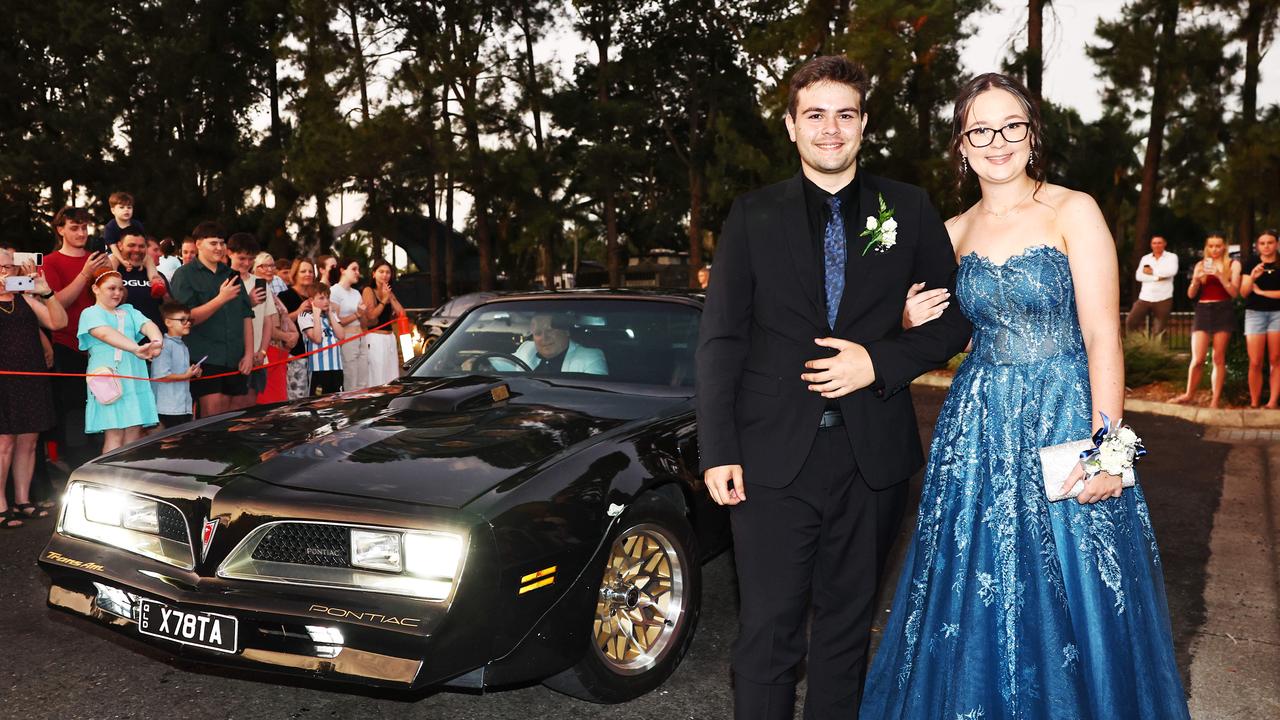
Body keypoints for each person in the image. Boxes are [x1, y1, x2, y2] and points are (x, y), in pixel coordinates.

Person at [861, 73, 1190, 720]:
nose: (997, 141)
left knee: (1077, 588)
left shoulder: (1073, 209)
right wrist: (901, 319)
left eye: (1011, 125)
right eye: (980, 129)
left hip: (1066, 410)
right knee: (975, 589)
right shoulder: (948, 232)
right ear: (961, 144)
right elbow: (929, 331)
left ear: (1032, 134)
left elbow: (1103, 336)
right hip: (978, 427)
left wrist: (1108, 451)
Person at [695, 56, 971, 720]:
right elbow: (722, 339)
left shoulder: (906, 208)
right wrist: (717, 450)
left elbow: (955, 317)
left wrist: (878, 362)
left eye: (845, 114)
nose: (831, 129)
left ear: (864, 123)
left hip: (871, 459)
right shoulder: (752, 215)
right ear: (792, 126)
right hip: (768, 462)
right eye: (815, 115)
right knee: (768, 636)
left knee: (847, 635)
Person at [0, 248, 67, 528]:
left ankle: (23, 500)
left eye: (8, 267)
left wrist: (46, 292)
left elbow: (59, 322)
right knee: (4, 442)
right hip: (3, 379)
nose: (5, 273)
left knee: (29, 441)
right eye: (0, 268)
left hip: (31, 377)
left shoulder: (26, 298)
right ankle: (1, 505)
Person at [43, 207, 113, 460]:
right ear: (60, 229)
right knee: (73, 410)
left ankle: (102, 459)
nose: (81, 233)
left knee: (106, 404)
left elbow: (116, 297)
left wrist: (109, 272)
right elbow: (56, 303)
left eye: (84, 227)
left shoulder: (97, 259)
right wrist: (85, 274)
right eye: (74, 227)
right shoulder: (51, 261)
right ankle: (73, 463)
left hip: (103, 346)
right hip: (68, 346)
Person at [169, 222, 254, 418]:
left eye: (222, 243)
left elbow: (246, 315)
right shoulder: (185, 274)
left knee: (236, 418)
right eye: (213, 243)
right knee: (212, 417)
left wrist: (249, 354)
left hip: (235, 357)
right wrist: (220, 299)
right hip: (204, 358)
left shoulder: (231, 275)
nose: (219, 248)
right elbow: (185, 319)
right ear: (198, 244)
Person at [79, 267, 162, 453]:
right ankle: (109, 480)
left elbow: (149, 325)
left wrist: (157, 342)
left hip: (134, 375)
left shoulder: (129, 310)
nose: (117, 293)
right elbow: (106, 334)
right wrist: (136, 348)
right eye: (111, 288)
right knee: (114, 433)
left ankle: (128, 477)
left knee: (133, 432)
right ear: (95, 289)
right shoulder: (90, 313)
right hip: (109, 378)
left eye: (120, 288)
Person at [1170, 233, 1240, 408]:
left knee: (1218, 357)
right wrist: (1195, 279)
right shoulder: (1201, 264)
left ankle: (1215, 400)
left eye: (1218, 246)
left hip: (1223, 308)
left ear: (1224, 247)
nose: (1215, 249)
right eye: (1211, 246)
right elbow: (1191, 294)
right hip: (1203, 309)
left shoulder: (1233, 264)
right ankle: (1188, 394)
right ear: (1206, 247)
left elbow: (1234, 293)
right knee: (1198, 358)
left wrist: (1220, 276)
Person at [227, 233, 272, 409]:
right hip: (232, 357)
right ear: (229, 253)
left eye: (251, 259)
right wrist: (249, 302)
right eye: (242, 258)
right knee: (229, 410)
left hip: (257, 358)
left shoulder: (260, 283)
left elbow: (268, 320)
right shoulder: (224, 280)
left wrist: (262, 351)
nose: (246, 263)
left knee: (250, 409)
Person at [1241, 230, 1280, 408]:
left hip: (1277, 314)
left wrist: (1263, 292)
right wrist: (1253, 278)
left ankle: (1272, 402)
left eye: (1270, 242)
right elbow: (1243, 292)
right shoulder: (1251, 262)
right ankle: (1255, 402)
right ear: (1258, 246)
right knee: (1255, 361)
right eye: (1262, 243)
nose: (1266, 246)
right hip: (1254, 313)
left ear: (1277, 244)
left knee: (1275, 358)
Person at [150, 301, 202, 429]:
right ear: (168, 322)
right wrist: (186, 376)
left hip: (182, 406)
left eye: (189, 319)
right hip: (167, 407)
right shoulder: (164, 345)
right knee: (169, 441)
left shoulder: (183, 346)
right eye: (182, 320)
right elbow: (161, 376)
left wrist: (193, 372)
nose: (188, 323)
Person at [253, 252, 296, 403]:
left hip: (279, 353)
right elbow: (265, 327)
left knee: (279, 400)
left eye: (272, 266)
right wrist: (288, 336)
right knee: (270, 401)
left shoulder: (271, 292)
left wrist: (294, 334)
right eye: (265, 266)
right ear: (255, 268)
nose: (270, 269)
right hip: (266, 353)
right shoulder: (258, 292)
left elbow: (285, 316)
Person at [513, 313, 607, 375]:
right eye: (538, 333)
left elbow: (594, 399)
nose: (544, 338)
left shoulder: (590, 358)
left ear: (566, 331)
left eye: (550, 330)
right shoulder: (526, 350)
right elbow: (499, 365)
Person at [360, 258, 406, 385]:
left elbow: (402, 313)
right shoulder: (368, 290)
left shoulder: (389, 293)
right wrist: (384, 300)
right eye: (381, 272)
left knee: (392, 375)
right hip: (375, 338)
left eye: (388, 272)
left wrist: (390, 297)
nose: (385, 275)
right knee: (377, 375)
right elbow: (371, 316)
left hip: (390, 338)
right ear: (374, 273)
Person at [112, 225, 168, 329]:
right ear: (120, 246)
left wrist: (165, 294)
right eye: (131, 245)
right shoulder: (111, 272)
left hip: (153, 340)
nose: (137, 250)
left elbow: (168, 308)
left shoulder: (156, 275)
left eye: (141, 246)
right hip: (121, 340)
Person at [278, 258, 318, 399]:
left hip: (317, 355)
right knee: (297, 398)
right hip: (296, 355)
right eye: (303, 271)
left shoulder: (316, 296)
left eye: (310, 271)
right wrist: (299, 310)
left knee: (315, 397)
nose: (308, 274)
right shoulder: (285, 296)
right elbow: (280, 323)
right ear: (295, 274)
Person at [1126, 235, 1178, 336]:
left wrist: (1152, 272)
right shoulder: (1146, 258)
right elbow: (1139, 276)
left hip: (1163, 297)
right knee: (1131, 322)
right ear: (1151, 245)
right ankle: (1140, 344)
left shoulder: (1171, 257)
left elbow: (1171, 272)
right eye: (1154, 243)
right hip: (1145, 297)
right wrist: (1157, 278)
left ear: (1164, 244)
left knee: (1159, 330)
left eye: (1159, 243)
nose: (1157, 245)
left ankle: (1158, 350)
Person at [300, 285, 345, 395]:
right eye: (321, 298)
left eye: (327, 298)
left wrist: (330, 314)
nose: (326, 301)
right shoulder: (305, 316)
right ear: (311, 300)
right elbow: (317, 339)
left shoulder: (331, 315)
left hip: (336, 367)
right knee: (318, 403)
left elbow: (341, 335)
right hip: (318, 370)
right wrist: (316, 315)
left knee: (337, 401)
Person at [329, 259, 367, 391]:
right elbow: (335, 321)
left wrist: (362, 315)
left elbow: (364, 319)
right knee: (351, 379)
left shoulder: (356, 293)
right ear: (342, 270)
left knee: (363, 378)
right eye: (354, 269)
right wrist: (357, 314)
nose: (357, 273)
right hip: (347, 338)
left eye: (358, 270)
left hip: (361, 335)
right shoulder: (334, 291)